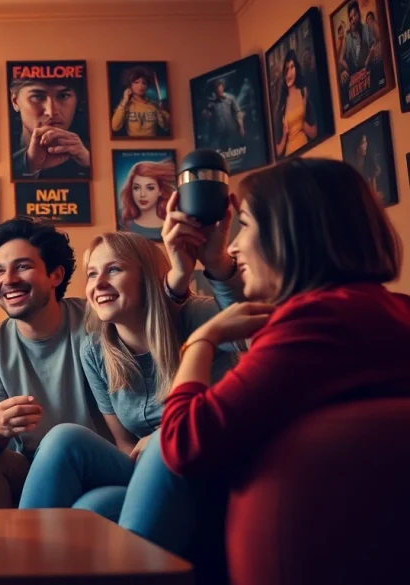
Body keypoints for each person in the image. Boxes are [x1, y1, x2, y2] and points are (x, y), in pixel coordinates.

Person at [152, 157, 408, 570]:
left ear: (290, 234)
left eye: (246, 225)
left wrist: (202, 338)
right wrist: (216, 264)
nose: (234, 245)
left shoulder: (318, 323)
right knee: (103, 501)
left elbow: (182, 441)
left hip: (308, 551)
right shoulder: (380, 310)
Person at [17, 196, 242, 514]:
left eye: (114, 270)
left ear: (148, 278)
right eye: (92, 274)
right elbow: (125, 443)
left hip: (206, 470)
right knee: (82, 483)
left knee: (93, 498)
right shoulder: (95, 350)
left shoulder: (194, 315)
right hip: (148, 475)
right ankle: (25, 560)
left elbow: (254, 334)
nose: (99, 284)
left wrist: (163, 437)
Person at [0, 216, 198, 508]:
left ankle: (23, 550)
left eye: (23, 267)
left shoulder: (99, 319)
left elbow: (157, 312)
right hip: (35, 468)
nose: (8, 280)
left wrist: (180, 276)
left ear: (55, 275)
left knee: (65, 444)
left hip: (106, 460)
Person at [9, 70, 91, 179]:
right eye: (37, 97)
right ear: (15, 101)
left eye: (63, 96)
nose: (51, 112)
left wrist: (89, 165)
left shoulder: (91, 154)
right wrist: (26, 164)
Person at [273, 50, 317, 158]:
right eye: (286, 69)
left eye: (292, 67)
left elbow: (314, 133)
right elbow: (278, 151)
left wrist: (302, 124)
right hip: (290, 156)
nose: (289, 73)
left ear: (296, 68)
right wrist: (284, 134)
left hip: (306, 150)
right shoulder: (281, 104)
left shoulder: (304, 93)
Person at [118, 159, 175, 241]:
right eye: (136, 188)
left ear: (160, 191)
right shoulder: (125, 225)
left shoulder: (171, 226)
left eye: (150, 188)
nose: (142, 194)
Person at [111, 65, 170, 138]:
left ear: (147, 86)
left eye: (144, 83)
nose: (140, 86)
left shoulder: (154, 105)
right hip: (132, 146)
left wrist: (163, 111)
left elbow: (167, 127)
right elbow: (115, 127)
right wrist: (124, 101)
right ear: (130, 85)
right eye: (136, 82)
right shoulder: (125, 105)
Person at [339, 1, 383, 88]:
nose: (353, 19)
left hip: (369, 69)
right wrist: (349, 70)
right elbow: (341, 59)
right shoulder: (348, 38)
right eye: (351, 18)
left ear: (359, 13)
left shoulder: (366, 28)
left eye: (355, 15)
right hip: (357, 76)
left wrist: (366, 63)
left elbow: (373, 46)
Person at [202, 80, 244, 151]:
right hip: (219, 134)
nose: (219, 90)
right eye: (217, 89)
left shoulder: (230, 98)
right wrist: (207, 113)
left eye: (220, 88)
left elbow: (238, 112)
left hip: (232, 131)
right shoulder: (210, 102)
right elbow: (206, 115)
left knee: (236, 150)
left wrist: (241, 127)